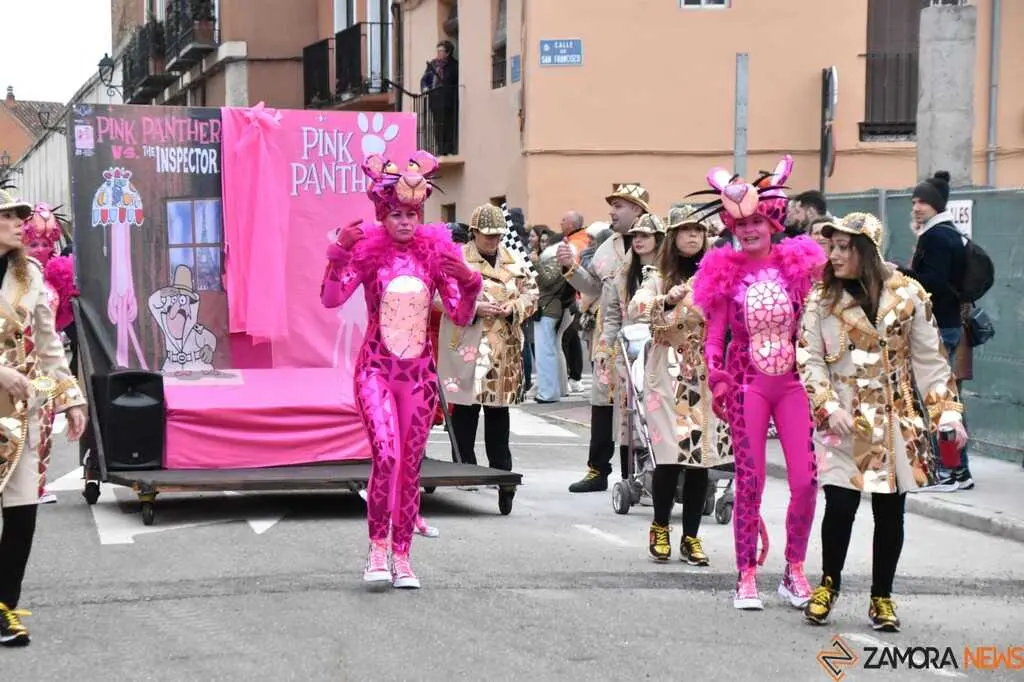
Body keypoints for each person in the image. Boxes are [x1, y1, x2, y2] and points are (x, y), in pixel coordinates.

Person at [797, 212, 967, 631]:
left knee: (890, 513)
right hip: (844, 420)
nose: (834, 255)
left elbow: (930, 361)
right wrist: (826, 405)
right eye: (832, 247)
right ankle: (828, 585)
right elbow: (809, 358)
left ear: (866, 252)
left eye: (844, 248)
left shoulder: (909, 295)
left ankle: (882, 597)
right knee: (840, 506)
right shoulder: (822, 299)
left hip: (895, 422)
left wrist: (946, 412)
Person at [320, 151, 482, 589]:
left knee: (410, 466)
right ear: (382, 215)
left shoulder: (434, 256)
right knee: (386, 456)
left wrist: (469, 281)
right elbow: (331, 299)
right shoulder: (369, 254)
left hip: (419, 377)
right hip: (375, 370)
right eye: (396, 214)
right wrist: (339, 253)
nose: (406, 222)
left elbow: (461, 314)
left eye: (411, 214)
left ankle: (403, 557)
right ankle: (377, 548)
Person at [690, 156, 826, 611]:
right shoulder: (724, 273)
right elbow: (715, 337)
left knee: (805, 481)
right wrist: (717, 375)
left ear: (772, 223)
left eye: (756, 222)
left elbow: (816, 326)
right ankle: (746, 573)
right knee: (751, 481)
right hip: (747, 384)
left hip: (793, 385)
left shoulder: (797, 267)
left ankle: (794, 569)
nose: (749, 230)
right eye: (741, 224)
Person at [0, 187, 87, 646]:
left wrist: (71, 398)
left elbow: (50, 346)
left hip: (19, 417)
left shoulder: (29, 273)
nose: (21, 223)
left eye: (21, 215)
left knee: (22, 515)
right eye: (9, 216)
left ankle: (3, 607)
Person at [628, 204, 733, 565]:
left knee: (700, 459)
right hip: (667, 375)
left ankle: (691, 536)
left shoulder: (715, 273)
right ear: (673, 237)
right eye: (686, 230)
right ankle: (660, 526)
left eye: (699, 230)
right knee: (670, 456)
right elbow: (637, 307)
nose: (693, 236)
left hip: (706, 374)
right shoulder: (658, 276)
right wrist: (666, 300)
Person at [561, 184, 650, 493]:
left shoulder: (656, 243)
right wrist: (570, 269)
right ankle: (597, 470)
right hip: (608, 338)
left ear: (637, 209)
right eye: (612, 206)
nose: (612, 212)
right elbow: (593, 288)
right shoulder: (606, 247)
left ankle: (635, 474)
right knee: (601, 403)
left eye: (619, 206)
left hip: (643, 338)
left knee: (636, 406)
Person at [438, 204, 538, 470]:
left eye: (498, 235)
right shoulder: (457, 258)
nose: (493, 240)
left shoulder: (513, 258)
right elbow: (439, 296)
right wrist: (473, 308)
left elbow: (532, 293)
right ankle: (464, 468)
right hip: (467, 342)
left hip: (503, 346)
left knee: (498, 411)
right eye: (488, 235)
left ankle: (501, 470)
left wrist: (514, 307)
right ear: (474, 232)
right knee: (465, 411)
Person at [601, 213, 664, 487]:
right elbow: (612, 316)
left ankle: (658, 476)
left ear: (659, 240)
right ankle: (631, 477)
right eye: (635, 235)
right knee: (630, 415)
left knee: (657, 414)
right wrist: (604, 349)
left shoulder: (668, 274)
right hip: (628, 354)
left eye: (645, 236)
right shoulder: (623, 275)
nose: (638, 240)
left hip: (660, 351)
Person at [20, 202, 78, 505]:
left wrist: (72, 396)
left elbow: (53, 334)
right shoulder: (14, 277)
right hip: (15, 365)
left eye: (46, 243)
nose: (41, 249)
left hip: (45, 365)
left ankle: (37, 487)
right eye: (34, 244)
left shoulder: (55, 276)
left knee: (42, 427)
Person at [420, 40, 459, 156]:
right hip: (435, 100)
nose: (438, 53)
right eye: (438, 51)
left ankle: (447, 148)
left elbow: (454, 81)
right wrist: (425, 87)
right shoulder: (432, 64)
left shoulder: (454, 65)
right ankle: (440, 147)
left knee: (447, 124)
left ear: (448, 53)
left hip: (447, 100)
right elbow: (425, 79)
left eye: (441, 51)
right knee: (437, 124)